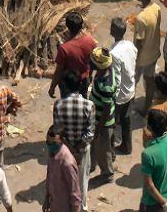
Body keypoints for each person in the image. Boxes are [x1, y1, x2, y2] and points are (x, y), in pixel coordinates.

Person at [52, 70, 95, 212]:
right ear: (81, 84)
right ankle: (82, 207)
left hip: (65, 151)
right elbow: (90, 133)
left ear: (65, 85)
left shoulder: (58, 105)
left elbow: (58, 132)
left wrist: (70, 147)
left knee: (65, 181)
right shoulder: (89, 105)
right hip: (82, 151)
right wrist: (78, 148)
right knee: (82, 181)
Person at [140, 108, 167, 211]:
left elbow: (149, 186)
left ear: (149, 127)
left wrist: (164, 203)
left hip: (151, 202)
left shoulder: (148, 154)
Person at [88, 46, 118, 185]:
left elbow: (106, 110)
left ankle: (107, 174)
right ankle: (92, 165)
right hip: (99, 120)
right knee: (100, 146)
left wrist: (98, 129)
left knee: (103, 149)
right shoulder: (107, 70)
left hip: (103, 123)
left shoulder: (105, 85)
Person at [133, 0, 163, 114]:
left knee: (132, 82)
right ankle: (146, 108)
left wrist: (134, 59)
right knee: (149, 80)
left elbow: (139, 42)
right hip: (154, 53)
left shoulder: (140, 18)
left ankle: (127, 108)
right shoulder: (157, 8)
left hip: (141, 58)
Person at [50, 11, 97, 97]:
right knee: (83, 100)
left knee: (67, 102)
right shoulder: (90, 41)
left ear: (67, 27)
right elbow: (94, 61)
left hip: (68, 83)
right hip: (84, 80)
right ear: (81, 26)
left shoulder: (64, 48)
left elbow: (59, 71)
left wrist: (52, 87)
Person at [108, 17, 137, 155]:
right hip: (130, 90)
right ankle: (127, 146)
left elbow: (116, 80)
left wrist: (112, 97)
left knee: (112, 123)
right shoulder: (130, 46)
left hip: (119, 96)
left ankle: (111, 152)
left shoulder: (114, 54)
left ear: (112, 31)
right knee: (126, 121)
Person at [44, 125, 83, 212]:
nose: (50, 146)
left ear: (63, 140)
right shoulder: (52, 153)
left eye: (54, 143)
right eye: (48, 142)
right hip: (54, 205)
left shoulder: (67, 163)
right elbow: (49, 176)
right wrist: (46, 199)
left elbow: (75, 195)